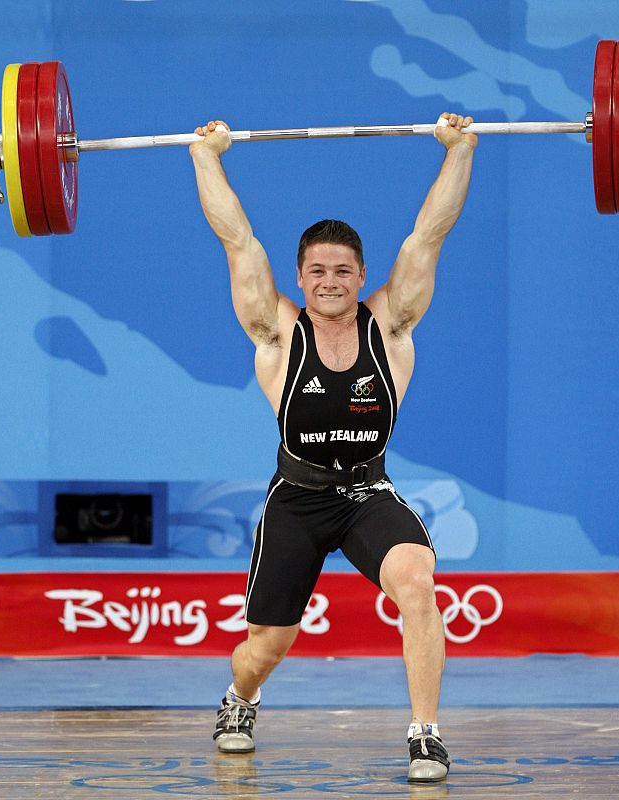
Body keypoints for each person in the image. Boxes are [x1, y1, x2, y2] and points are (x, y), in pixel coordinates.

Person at [189, 112, 476, 782]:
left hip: (368, 494)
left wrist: (459, 150)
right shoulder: (276, 333)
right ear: (300, 275)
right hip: (297, 499)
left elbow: (429, 234)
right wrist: (207, 156)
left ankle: (426, 736)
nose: (330, 281)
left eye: (343, 271)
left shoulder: (391, 326)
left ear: (361, 274)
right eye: (317, 270)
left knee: (418, 586)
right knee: (266, 648)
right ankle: (241, 698)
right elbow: (237, 240)